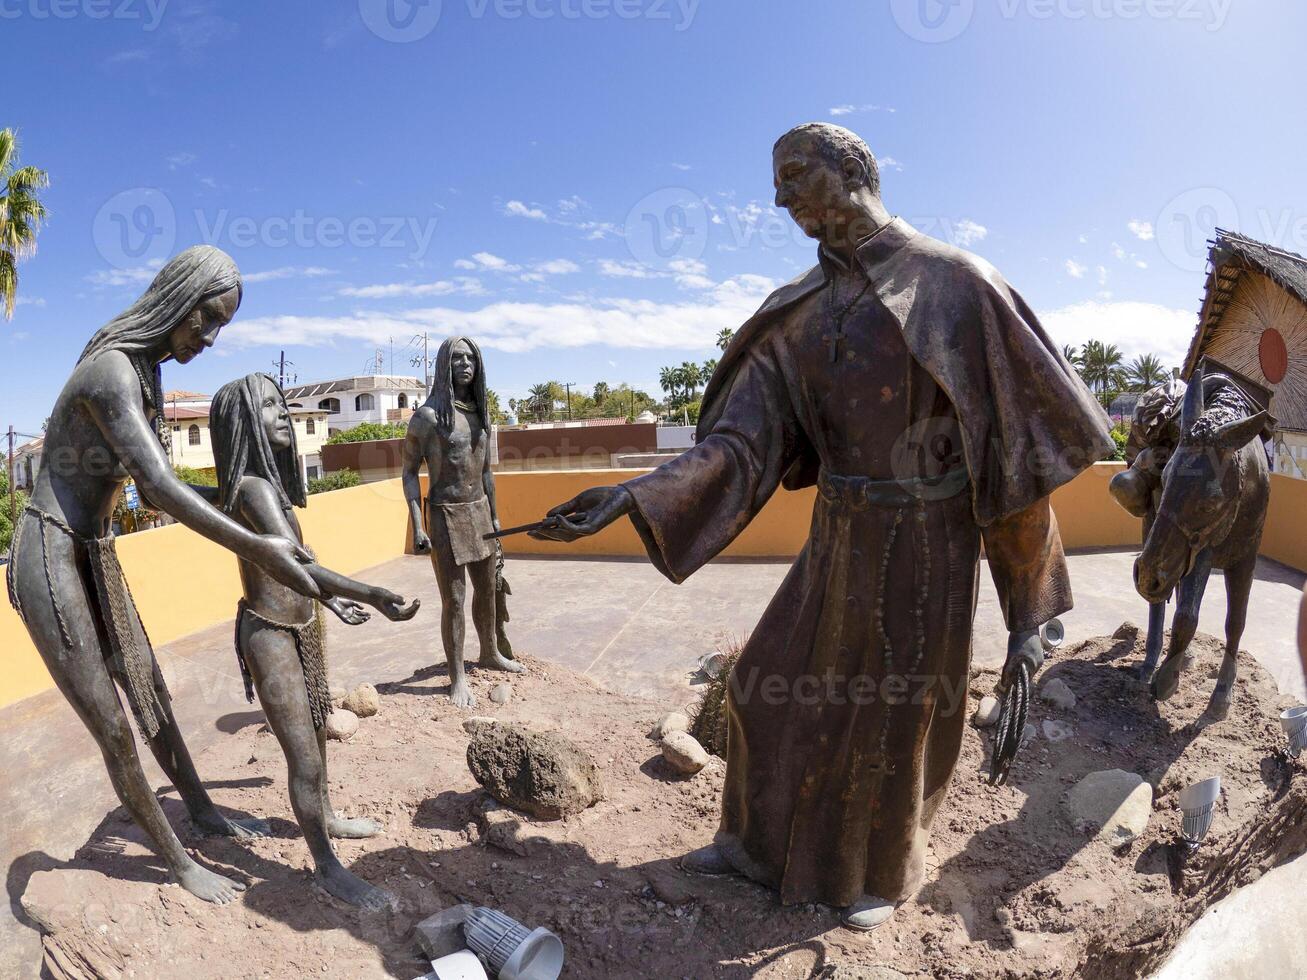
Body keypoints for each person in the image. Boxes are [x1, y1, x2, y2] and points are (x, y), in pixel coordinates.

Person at [531, 124, 1113, 930]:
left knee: (892, 713)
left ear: (853, 169)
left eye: (796, 175)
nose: (780, 198)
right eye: (777, 183)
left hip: (925, 540)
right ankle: (754, 849)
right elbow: (739, 444)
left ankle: (874, 874)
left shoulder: (954, 285)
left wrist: (1028, 611)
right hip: (839, 535)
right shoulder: (796, 312)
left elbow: (1013, 463)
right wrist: (635, 494)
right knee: (759, 689)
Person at [6, 246, 327, 905]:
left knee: (149, 692)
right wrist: (265, 546)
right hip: (50, 554)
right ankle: (178, 861)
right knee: (114, 723)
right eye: (204, 320)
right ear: (175, 302)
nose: (207, 340)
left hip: (94, 551)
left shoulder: (145, 376)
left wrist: (240, 503)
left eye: (219, 328)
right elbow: (160, 484)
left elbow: (155, 497)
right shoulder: (112, 374)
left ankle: (202, 813)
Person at [209, 373, 420, 910]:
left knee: (319, 736)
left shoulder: (271, 488)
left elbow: (298, 574)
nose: (285, 416)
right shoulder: (252, 491)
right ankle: (327, 866)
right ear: (245, 424)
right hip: (271, 636)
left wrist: (327, 601)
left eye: (284, 405)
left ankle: (324, 816)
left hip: (300, 626)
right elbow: (302, 564)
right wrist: (372, 591)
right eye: (271, 409)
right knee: (303, 755)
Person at [402, 337, 523, 708]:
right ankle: (457, 678)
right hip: (445, 515)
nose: (465, 364)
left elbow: (486, 472)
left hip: (480, 512)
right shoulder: (427, 418)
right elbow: (408, 472)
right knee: (454, 600)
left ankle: (489, 652)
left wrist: (497, 515)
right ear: (444, 365)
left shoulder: (480, 415)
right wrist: (418, 524)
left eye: (471, 358)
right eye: (457, 358)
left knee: (488, 591)